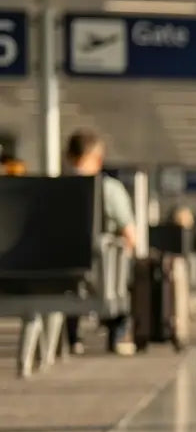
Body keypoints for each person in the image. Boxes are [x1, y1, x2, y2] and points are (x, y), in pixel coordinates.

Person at [63, 130, 137, 355]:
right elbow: (131, 237)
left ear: (68, 157)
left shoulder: (53, 190)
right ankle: (117, 334)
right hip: (101, 271)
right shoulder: (110, 189)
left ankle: (73, 337)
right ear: (98, 158)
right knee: (125, 268)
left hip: (59, 271)